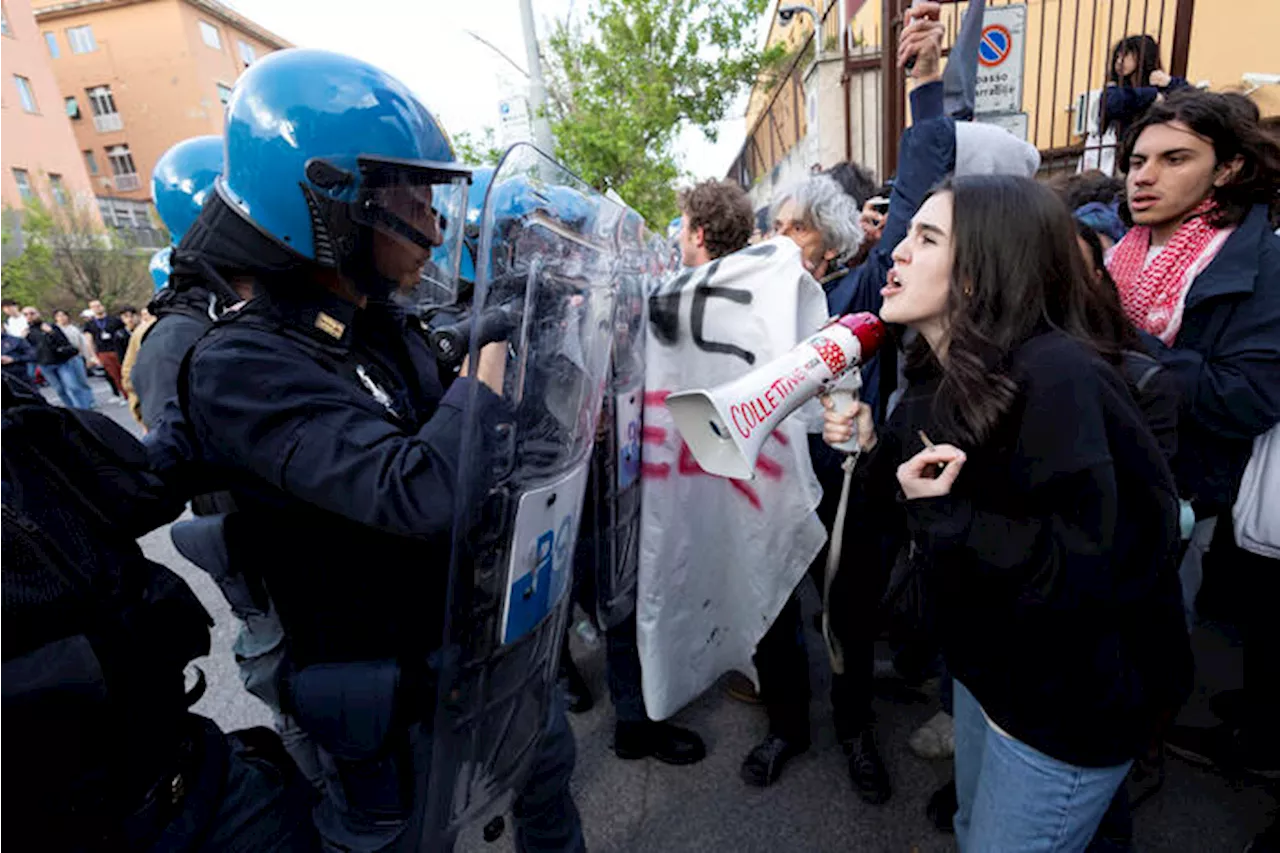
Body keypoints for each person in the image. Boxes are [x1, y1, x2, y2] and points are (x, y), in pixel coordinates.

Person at [177, 48, 584, 852]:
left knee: (549, 791)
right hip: (395, 703)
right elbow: (422, 493)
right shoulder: (242, 366)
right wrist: (492, 354)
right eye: (414, 196)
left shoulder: (380, 325)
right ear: (339, 204)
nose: (435, 223)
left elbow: (486, 449)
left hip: (482, 650)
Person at [822, 174, 1191, 850]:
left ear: (981, 270)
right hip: (991, 676)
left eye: (927, 238)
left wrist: (952, 516)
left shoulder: (1060, 376)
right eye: (906, 233)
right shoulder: (938, 374)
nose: (897, 252)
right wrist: (870, 441)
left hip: (1065, 707)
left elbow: (1105, 567)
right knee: (977, 825)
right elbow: (899, 498)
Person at [1105, 90, 1280, 788]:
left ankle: (1142, 752)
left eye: (1175, 158)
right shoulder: (1127, 251)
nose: (1143, 176)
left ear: (1229, 169)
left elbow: (1250, 397)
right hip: (1107, 464)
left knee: (1155, 628)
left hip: (1182, 487)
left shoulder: (1258, 262)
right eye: (1138, 159)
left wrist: (1125, 343)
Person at [22, 306, 97, 410]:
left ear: (38, 313)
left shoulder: (50, 326)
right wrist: (23, 339)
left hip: (62, 362)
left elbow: (64, 342)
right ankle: (73, 411)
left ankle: (84, 409)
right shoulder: (27, 332)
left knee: (73, 387)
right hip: (45, 365)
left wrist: (51, 333)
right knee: (60, 390)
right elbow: (28, 350)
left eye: (32, 313)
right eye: (26, 314)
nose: (29, 316)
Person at [676, 178, 754, 268]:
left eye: (683, 227)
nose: (679, 237)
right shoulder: (763, 272)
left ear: (698, 236)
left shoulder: (694, 281)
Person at [84, 298, 130, 404]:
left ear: (102, 306)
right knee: (114, 374)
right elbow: (88, 341)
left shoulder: (114, 320)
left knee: (125, 372)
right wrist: (93, 356)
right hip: (103, 352)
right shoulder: (90, 324)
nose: (97, 308)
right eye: (94, 307)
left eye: (98, 306)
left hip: (118, 349)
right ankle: (124, 395)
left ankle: (131, 392)